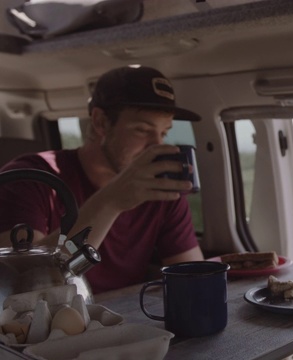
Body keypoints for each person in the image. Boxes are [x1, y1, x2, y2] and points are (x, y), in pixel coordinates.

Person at [0, 66, 204, 294]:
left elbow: (194, 279)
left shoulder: (159, 190)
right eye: (142, 129)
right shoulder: (31, 178)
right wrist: (111, 201)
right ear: (101, 122)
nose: (156, 145)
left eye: (163, 133)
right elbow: (22, 286)